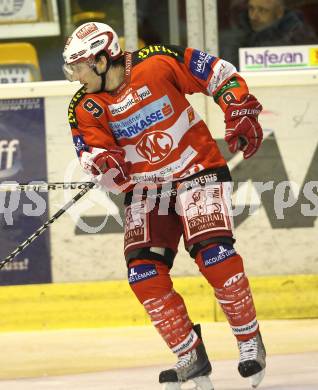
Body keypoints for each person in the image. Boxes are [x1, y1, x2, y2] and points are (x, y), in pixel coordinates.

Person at [63, 22, 266, 389]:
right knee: (143, 272)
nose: (74, 75)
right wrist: (105, 165)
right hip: (147, 189)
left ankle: (249, 340)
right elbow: (95, 157)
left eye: (77, 66)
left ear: (101, 59)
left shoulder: (157, 62)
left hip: (197, 170)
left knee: (214, 255)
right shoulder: (84, 105)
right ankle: (190, 354)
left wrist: (239, 108)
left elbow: (219, 74)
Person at [219, 0, 318, 67]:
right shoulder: (234, 37)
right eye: (251, 8)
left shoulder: (299, 36)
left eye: (262, 10)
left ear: (279, 13)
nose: (253, 16)